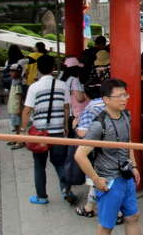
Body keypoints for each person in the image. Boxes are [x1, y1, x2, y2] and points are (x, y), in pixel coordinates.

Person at [74, 79, 142, 234]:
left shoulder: (126, 115)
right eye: (119, 96)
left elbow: (127, 142)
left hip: (126, 176)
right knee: (106, 225)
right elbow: (80, 155)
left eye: (125, 95)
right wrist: (96, 179)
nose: (124, 99)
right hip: (109, 181)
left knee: (133, 217)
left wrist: (134, 166)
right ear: (106, 99)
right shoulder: (99, 124)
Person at [21, 54, 76, 205]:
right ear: (53, 68)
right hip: (58, 131)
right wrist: (65, 126)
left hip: (39, 133)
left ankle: (41, 197)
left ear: (38, 69)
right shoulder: (63, 85)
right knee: (60, 163)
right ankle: (66, 191)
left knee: (39, 165)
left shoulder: (34, 87)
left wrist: (23, 130)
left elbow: (27, 110)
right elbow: (66, 107)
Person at [74, 83, 106, 219]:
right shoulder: (110, 105)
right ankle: (89, 207)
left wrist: (75, 126)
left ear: (86, 95)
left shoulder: (90, 109)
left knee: (96, 178)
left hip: (97, 151)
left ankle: (117, 212)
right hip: (113, 147)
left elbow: (83, 133)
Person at [60, 57, 88, 130]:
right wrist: (86, 95)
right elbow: (80, 98)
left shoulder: (61, 80)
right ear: (75, 69)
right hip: (75, 113)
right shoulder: (74, 80)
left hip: (64, 112)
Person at [6, 64, 25, 150]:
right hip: (13, 106)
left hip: (16, 107)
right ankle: (16, 138)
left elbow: (20, 96)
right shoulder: (14, 81)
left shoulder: (18, 83)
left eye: (13, 71)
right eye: (10, 71)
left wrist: (19, 108)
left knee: (18, 125)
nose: (11, 73)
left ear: (18, 72)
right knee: (15, 124)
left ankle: (20, 141)